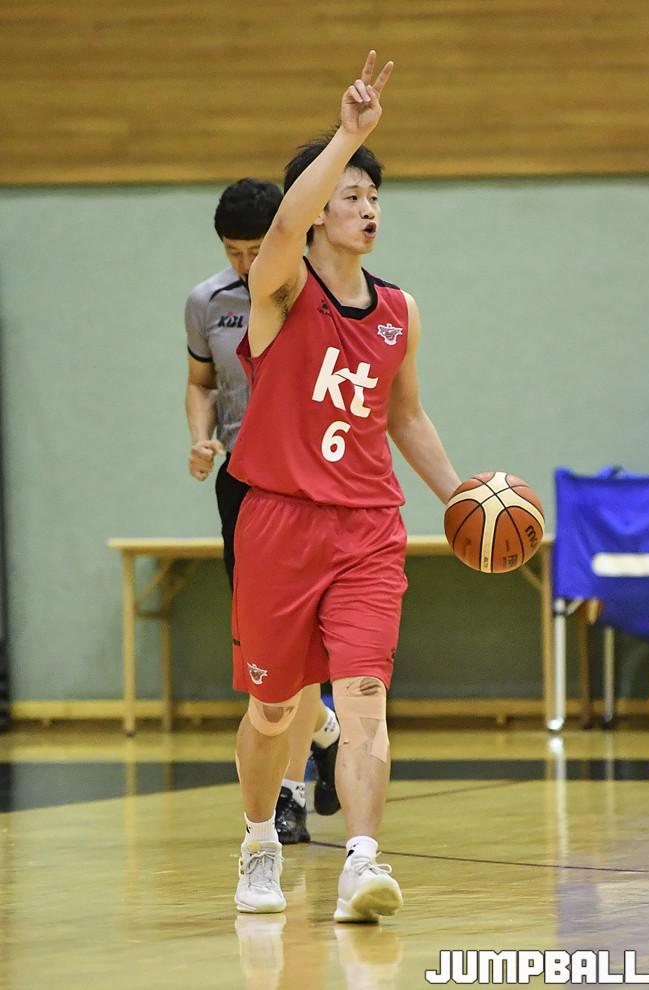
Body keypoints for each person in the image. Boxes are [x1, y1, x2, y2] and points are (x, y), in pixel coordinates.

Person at [229, 52, 461, 921]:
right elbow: (286, 221)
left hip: (367, 527)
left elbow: (406, 416)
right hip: (280, 523)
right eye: (352, 196)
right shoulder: (279, 289)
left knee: (364, 699)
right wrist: (348, 136)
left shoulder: (399, 310)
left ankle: (362, 863)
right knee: (272, 710)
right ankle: (258, 842)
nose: (369, 209)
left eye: (374, 197)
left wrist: (458, 498)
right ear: (321, 207)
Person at [184, 177, 340, 844]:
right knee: (270, 649)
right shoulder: (206, 301)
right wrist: (200, 436)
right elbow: (201, 383)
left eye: (257, 248)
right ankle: (325, 729)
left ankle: (289, 795)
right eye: (234, 251)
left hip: (312, 483)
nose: (248, 263)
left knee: (301, 648)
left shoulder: (318, 294)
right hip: (245, 484)